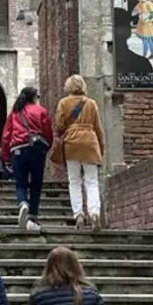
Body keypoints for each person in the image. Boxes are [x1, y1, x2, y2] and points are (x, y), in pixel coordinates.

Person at [54, 74, 106, 232]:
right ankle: (95, 213)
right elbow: (98, 128)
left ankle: (78, 215)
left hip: (71, 143)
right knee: (91, 181)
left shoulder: (63, 103)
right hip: (90, 142)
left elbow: (59, 126)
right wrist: (101, 148)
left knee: (74, 181)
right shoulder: (91, 103)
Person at [1, 85, 53, 233]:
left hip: (18, 150)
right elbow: (48, 132)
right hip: (36, 150)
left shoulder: (14, 113)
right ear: (34, 98)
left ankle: (23, 203)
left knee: (21, 184)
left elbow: (6, 136)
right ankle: (32, 217)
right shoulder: (41, 111)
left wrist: (5, 156)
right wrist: (46, 147)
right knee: (36, 186)